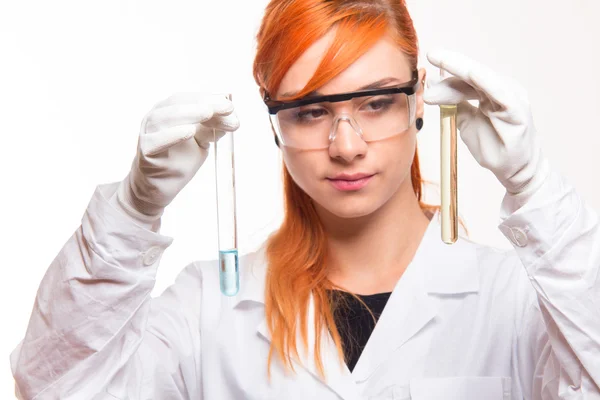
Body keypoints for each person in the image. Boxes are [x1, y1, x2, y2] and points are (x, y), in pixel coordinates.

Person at [10, 0, 600, 399]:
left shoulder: (519, 303)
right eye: (311, 110)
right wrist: (132, 213)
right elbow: (55, 387)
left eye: (376, 102)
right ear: (272, 118)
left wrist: (535, 187)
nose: (346, 146)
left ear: (420, 98)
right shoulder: (206, 310)